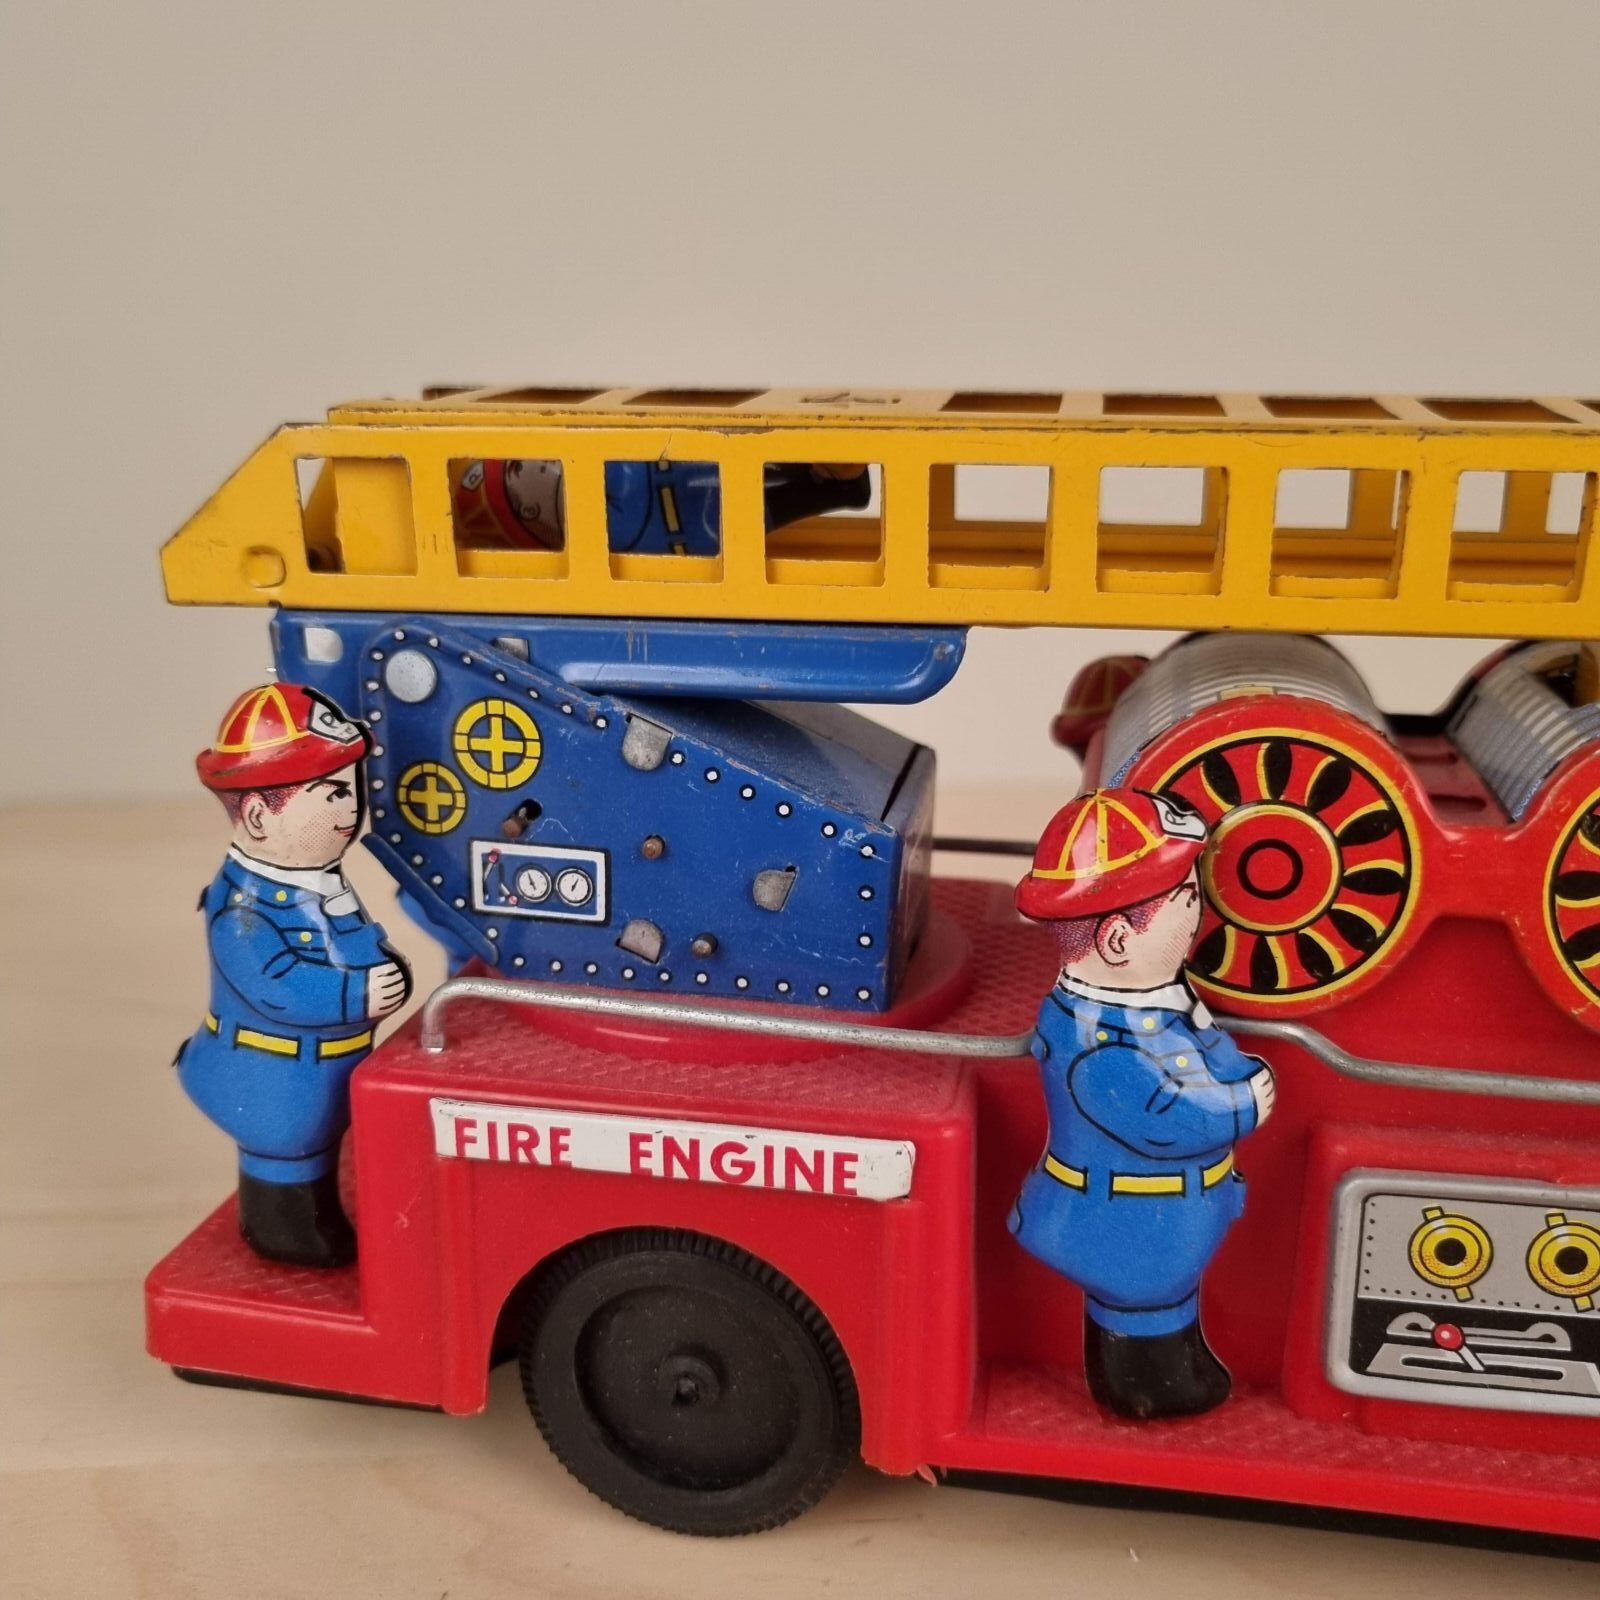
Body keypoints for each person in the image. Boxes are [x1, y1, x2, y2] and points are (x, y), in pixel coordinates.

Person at [1009, 788, 1276, 1419]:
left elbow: (1208, 1053)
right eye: (1187, 901)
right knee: (1142, 1300)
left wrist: (1231, 1071)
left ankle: (1178, 1364)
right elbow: (1164, 1122)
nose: (1201, 914)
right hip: (1125, 1215)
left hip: (1164, 1213)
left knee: (1165, 1296)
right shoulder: (1099, 1045)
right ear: (1118, 941)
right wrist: (1244, 1104)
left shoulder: (1155, 1003)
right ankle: (1144, 1386)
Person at [177, 684, 411, 1268]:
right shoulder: (242, 910)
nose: (351, 809)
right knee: (286, 1160)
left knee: (318, 1147)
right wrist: (358, 991)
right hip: (273, 1075)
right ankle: (282, 1231)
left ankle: (311, 1214)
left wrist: (385, 968)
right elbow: (276, 986)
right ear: (260, 816)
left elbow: (351, 939)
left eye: (351, 789)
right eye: (332, 794)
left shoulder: (317, 880)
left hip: (323, 1069)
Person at [453, 456, 871, 554]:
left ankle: (829, 481)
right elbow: (628, 512)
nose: (538, 465)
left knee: (754, 474)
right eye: (521, 470)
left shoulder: (581, 479)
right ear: (526, 511)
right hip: (693, 528)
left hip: (689, 491)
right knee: (762, 506)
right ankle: (833, 489)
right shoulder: (584, 520)